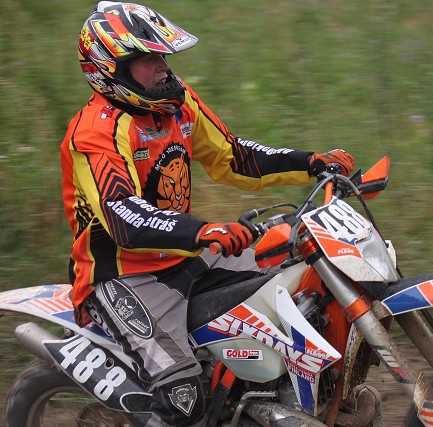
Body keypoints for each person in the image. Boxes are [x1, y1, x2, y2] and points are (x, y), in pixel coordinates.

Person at [60, 2, 355, 426]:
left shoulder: (175, 104)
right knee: (183, 403)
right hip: (123, 277)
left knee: (298, 273)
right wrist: (204, 231)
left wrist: (312, 162)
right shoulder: (95, 132)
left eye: (163, 56)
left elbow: (234, 158)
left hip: (187, 255)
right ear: (111, 68)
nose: (163, 67)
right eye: (149, 60)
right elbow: (123, 216)